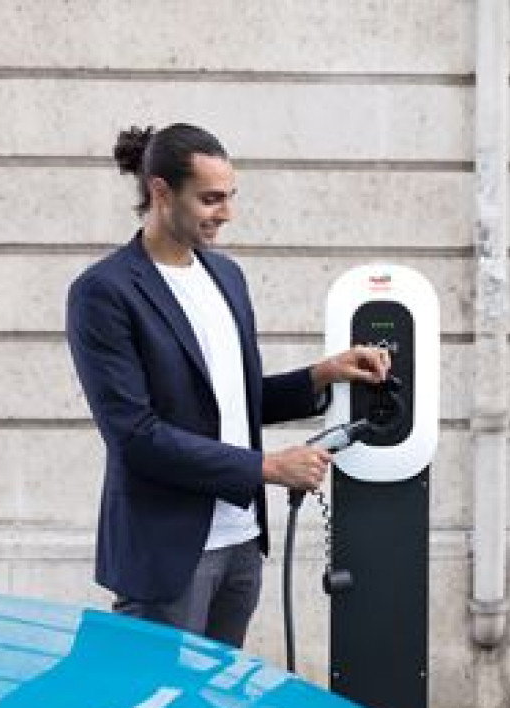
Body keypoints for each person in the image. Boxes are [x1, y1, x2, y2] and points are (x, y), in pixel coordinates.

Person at [66, 123, 389, 648]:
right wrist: (267, 468)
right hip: (167, 555)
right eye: (210, 199)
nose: (226, 214)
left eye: (229, 197)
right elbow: (135, 435)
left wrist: (321, 375)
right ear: (160, 191)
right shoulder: (103, 292)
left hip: (240, 544)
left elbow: (231, 399)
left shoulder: (226, 277)